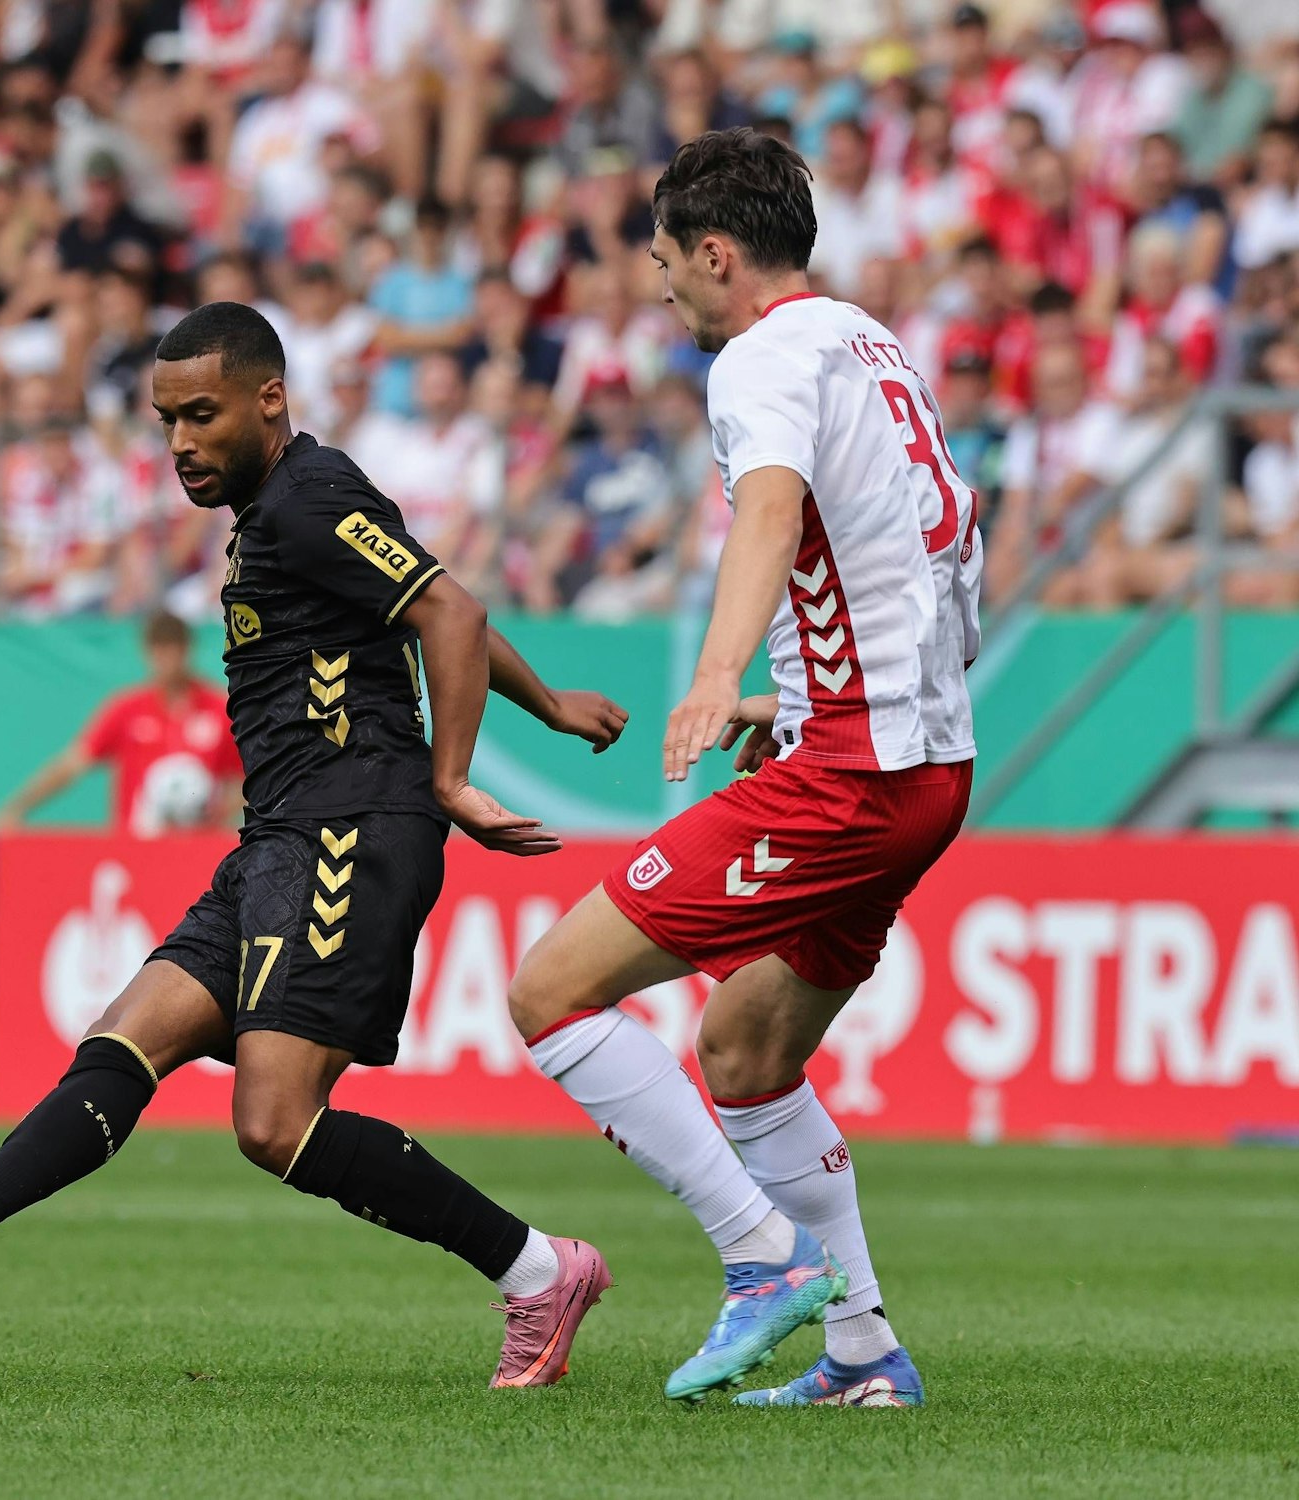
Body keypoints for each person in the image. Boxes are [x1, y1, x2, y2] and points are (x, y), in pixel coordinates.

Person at [0, 301, 634, 1388]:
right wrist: (552, 707)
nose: (180, 442)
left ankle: (536, 1270)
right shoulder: (274, 510)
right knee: (127, 1035)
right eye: (164, 421)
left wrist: (449, 779)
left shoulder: (305, 498)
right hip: (279, 834)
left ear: (268, 398)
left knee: (272, 1118)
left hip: (349, 824)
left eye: (201, 415)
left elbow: (453, 615)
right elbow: (437, 604)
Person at [506, 129, 981, 1409]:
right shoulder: (868, 344)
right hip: (923, 764)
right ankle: (863, 1357)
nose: (660, 287)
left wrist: (719, 674)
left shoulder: (760, 357)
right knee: (743, 1051)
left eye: (665, 261)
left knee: (549, 994)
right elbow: (934, 541)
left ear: (716, 254)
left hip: (851, 775)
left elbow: (768, 510)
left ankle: (763, 1264)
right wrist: (805, 687)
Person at [0, 609, 240, 837]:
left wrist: (221, 809)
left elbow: (249, 781)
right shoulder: (127, 710)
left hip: (199, 852)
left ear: (187, 650)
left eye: (173, 650)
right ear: (148, 652)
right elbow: (72, 764)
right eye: (159, 651)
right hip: (135, 850)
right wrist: (18, 807)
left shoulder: (219, 710)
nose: (167, 660)